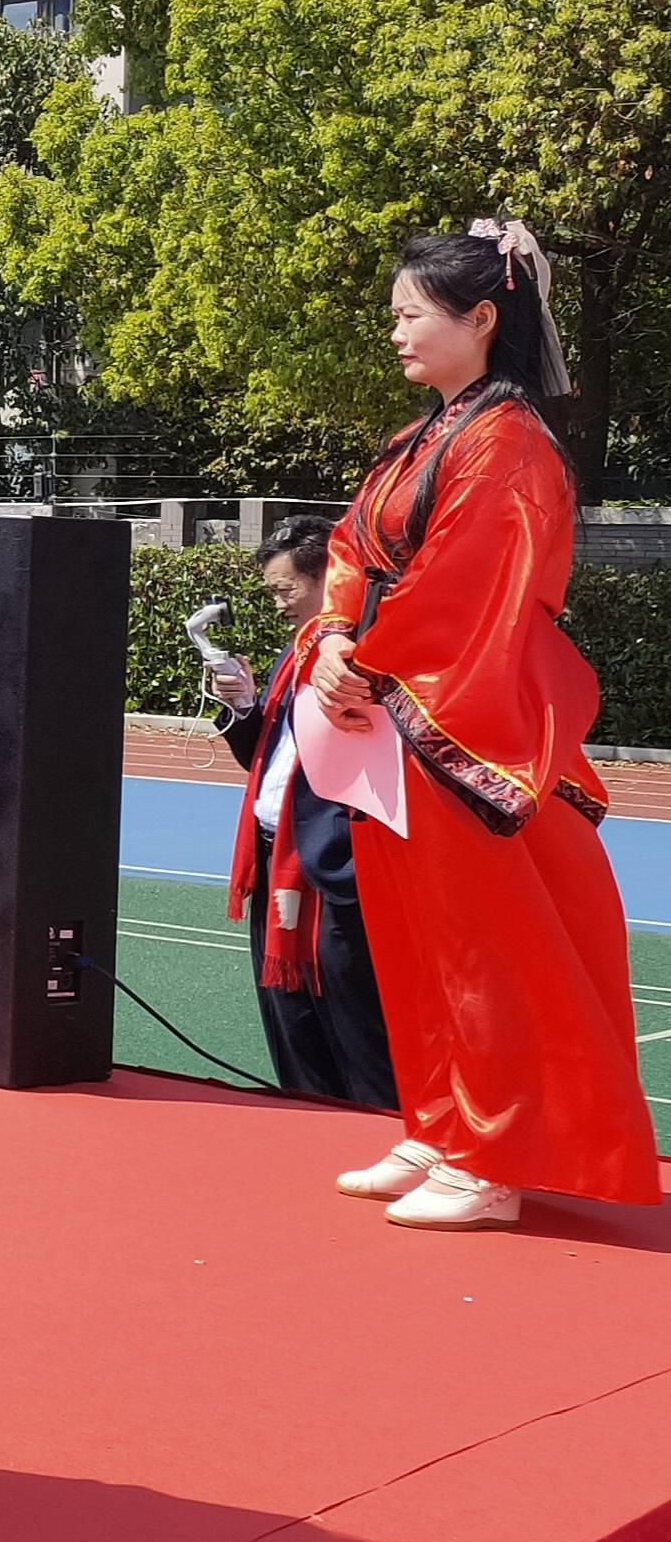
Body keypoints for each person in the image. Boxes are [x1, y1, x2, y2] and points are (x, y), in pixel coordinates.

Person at [300, 222, 653, 1232]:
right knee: (417, 943)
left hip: (463, 723)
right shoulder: (434, 433)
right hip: (399, 715)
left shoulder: (506, 444)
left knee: (480, 946)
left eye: (412, 314)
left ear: (482, 318)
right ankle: (442, 1122)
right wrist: (331, 633)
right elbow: (350, 544)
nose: (397, 333)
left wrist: (357, 661)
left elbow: (463, 590)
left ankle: (489, 1154)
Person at [208, 514, 393, 1111]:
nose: (280, 604)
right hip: (276, 862)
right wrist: (241, 705)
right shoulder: (298, 655)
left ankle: (376, 1133)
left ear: (330, 580)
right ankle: (308, 1130)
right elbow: (272, 756)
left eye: (287, 589)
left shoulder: (366, 657)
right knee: (292, 1026)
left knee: (358, 1034)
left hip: (338, 871)